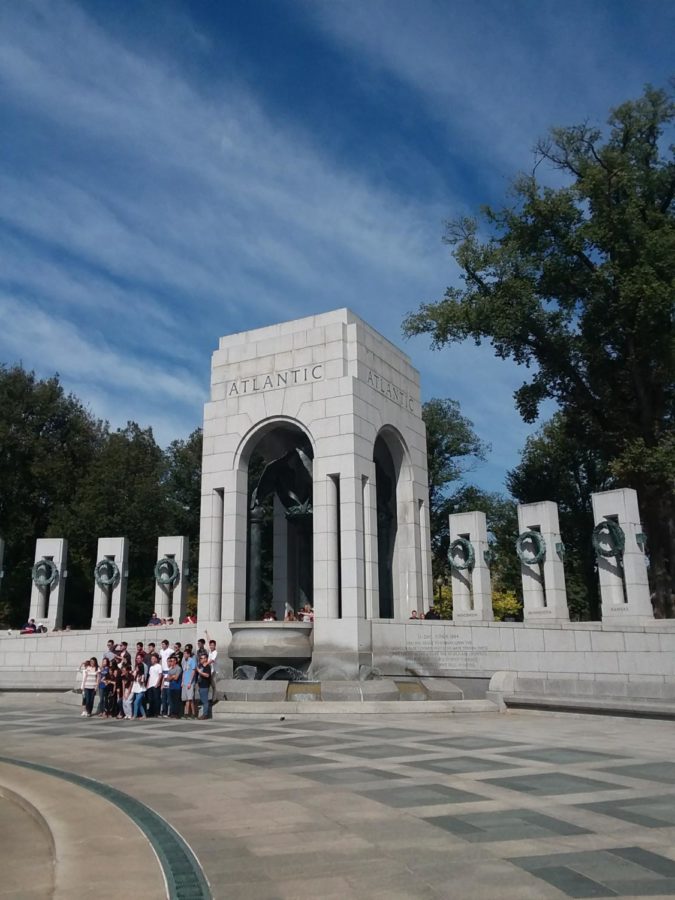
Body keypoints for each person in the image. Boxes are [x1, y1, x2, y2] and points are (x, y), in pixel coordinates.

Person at [146, 653, 163, 717]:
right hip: (150, 685)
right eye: (151, 659)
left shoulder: (159, 666)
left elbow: (160, 675)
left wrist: (158, 683)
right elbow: (150, 676)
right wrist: (147, 684)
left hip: (155, 685)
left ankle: (157, 712)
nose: (151, 660)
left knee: (156, 699)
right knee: (150, 699)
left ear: (156, 659)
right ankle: (151, 712)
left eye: (153, 659)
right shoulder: (151, 667)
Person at [181, 648, 197, 718]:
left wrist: (190, 682)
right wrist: (182, 681)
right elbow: (184, 672)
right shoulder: (184, 661)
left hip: (190, 682)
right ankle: (188, 713)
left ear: (188, 654)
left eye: (185, 654)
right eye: (183, 654)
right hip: (185, 682)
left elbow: (193, 672)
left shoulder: (192, 661)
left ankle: (191, 713)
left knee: (190, 698)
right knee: (186, 698)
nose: (184, 655)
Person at [196, 653, 212, 720]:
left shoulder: (207, 666)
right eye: (200, 658)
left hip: (205, 685)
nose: (200, 659)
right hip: (200, 685)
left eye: (202, 658)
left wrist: (200, 672)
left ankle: (205, 715)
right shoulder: (200, 665)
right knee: (202, 700)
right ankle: (204, 714)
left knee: (205, 701)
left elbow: (207, 675)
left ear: (205, 659)